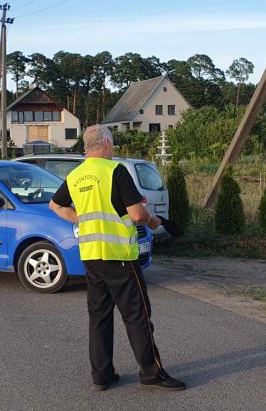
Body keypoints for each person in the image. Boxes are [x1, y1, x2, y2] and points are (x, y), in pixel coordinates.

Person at [49, 125, 185, 392]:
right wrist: (156, 221)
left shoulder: (76, 176)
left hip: (91, 257)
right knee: (137, 316)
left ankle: (102, 375)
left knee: (99, 318)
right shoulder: (115, 171)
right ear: (107, 145)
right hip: (120, 258)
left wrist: (83, 220)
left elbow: (55, 206)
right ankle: (151, 373)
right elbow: (137, 215)